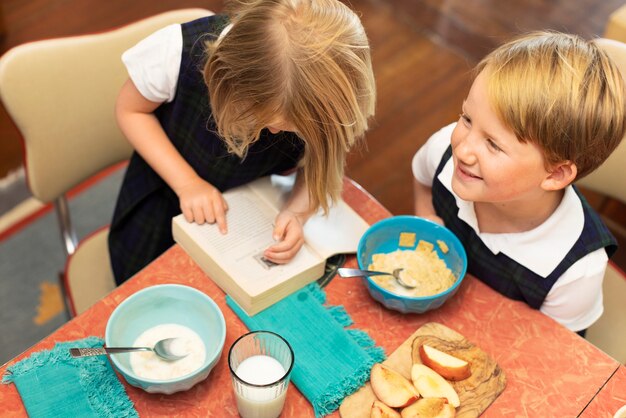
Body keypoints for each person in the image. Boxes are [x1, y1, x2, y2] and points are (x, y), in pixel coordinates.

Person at [109, 0, 376, 284]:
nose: (275, 134)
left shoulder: (329, 97)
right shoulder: (176, 53)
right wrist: (187, 184)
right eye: (273, 123)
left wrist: (298, 212)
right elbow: (130, 111)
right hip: (164, 197)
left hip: (248, 214)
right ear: (229, 81)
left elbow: (321, 160)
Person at [412, 31, 626, 335]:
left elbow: (552, 348)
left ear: (554, 174)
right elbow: (422, 178)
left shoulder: (575, 270)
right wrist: (426, 216)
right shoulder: (444, 154)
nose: (461, 149)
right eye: (467, 118)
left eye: (493, 145)